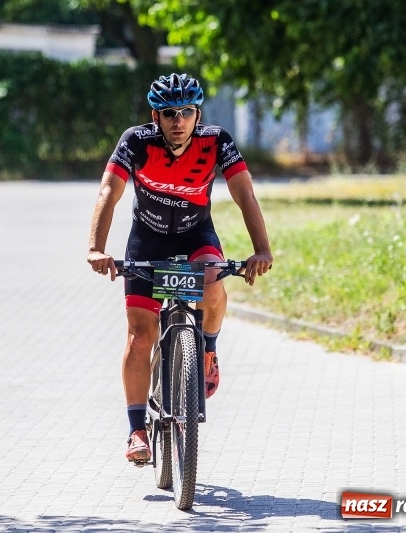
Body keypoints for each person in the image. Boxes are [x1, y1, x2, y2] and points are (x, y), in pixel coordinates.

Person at [87, 73, 273, 462]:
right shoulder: (136, 142)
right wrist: (95, 248)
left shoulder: (216, 140)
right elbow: (109, 190)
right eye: (169, 113)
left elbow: (244, 193)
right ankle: (137, 430)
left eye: (186, 112)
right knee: (140, 335)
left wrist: (261, 250)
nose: (178, 121)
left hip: (195, 235)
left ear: (197, 114)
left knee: (213, 279)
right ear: (156, 116)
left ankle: (207, 349)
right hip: (148, 238)